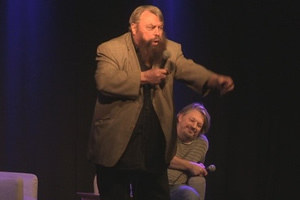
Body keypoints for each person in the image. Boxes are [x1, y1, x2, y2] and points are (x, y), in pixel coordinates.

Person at [87, 5, 234, 200]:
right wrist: (143, 77)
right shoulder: (111, 49)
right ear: (134, 27)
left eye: (160, 27)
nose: (157, 33)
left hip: (152, 145)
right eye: (151, 27)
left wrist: (213, 80)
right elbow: (105, 81)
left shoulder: (170, 50)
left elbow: (188, 69)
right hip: (117, 143)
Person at [168, 103, 211, 200]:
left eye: (199, 125)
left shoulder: (201, 143)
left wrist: (199, 169)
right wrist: (190, 166)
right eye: (192, 120)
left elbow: (197, 167)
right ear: (180, 117)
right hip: (156, 183)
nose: (194, 126)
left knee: (190, 194)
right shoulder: (166, 131)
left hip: (177, 188)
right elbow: (161, 157)